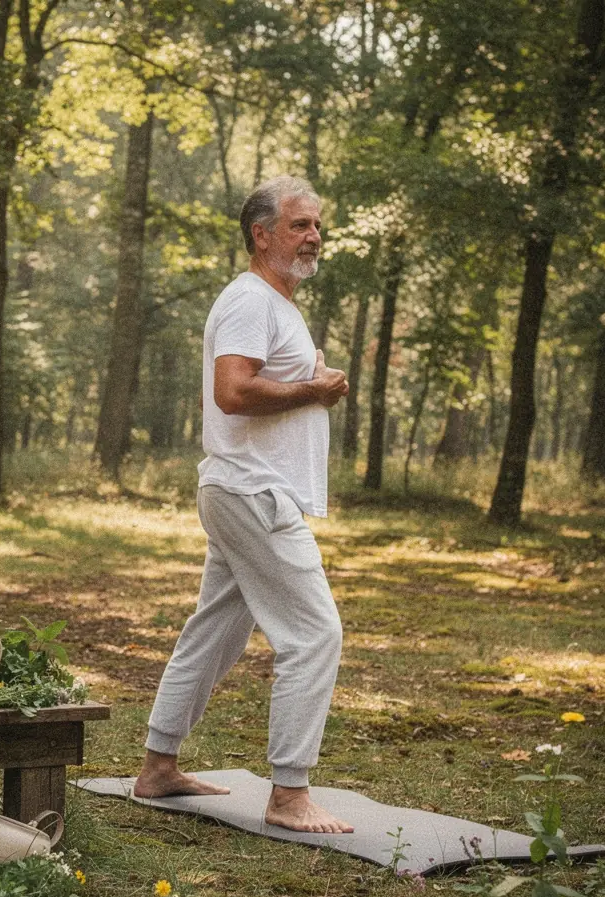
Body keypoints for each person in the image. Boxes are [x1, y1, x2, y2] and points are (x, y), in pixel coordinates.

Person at [133, 175, 354, 834]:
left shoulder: (276, 303)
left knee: (216, 632)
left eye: (317, 225)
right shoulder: (251, 301)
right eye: (299, 225)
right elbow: (232, 392)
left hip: (241, 490)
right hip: (253, 493)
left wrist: (309, 384)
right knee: (315, 634)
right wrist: (314, 390)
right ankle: (290, 794)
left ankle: (158, 767)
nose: (313, 236)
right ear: (261, 235)